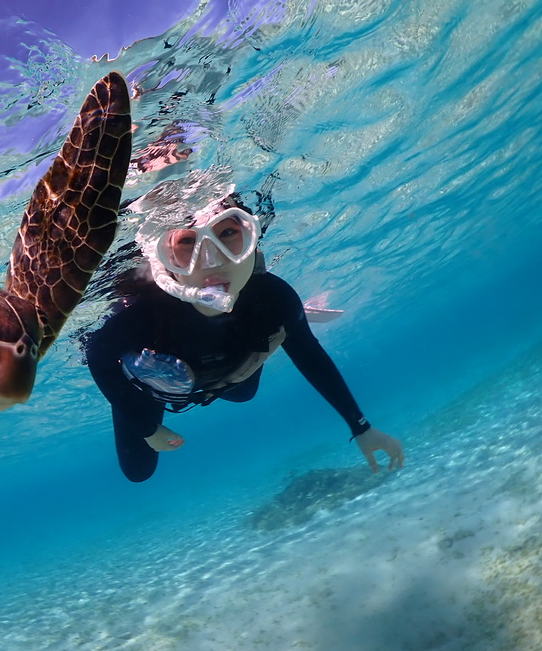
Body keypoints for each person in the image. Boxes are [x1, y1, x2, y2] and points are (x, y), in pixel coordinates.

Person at [85, 171, 404, 483]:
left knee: (244, 393)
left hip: (230, 370)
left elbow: (310, 357)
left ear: (251, 240)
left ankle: (293, 321)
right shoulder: (143, 313)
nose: (211, 260)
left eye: (227, 234)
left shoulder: (274, 298)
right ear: (165, 260)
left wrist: (361, 427)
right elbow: (97, 355)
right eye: (187, 242)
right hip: (154, 386)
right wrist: (147, 429)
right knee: (138, 472)